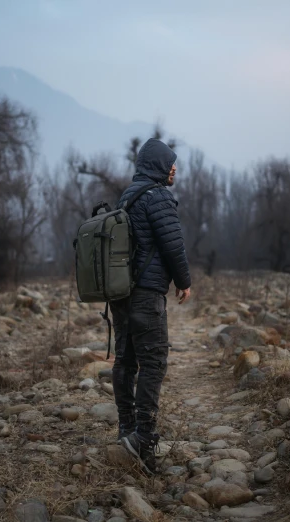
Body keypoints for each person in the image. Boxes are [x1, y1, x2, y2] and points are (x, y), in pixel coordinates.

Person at [111, 137, 192, 474]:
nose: (174, 167)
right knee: (154, 363)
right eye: (169, 162)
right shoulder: (158, 197)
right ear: (157, 165)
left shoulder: (129, 195)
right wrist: (184, 282)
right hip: (145, 294)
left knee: (126, 361)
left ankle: (126, 430)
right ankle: (143, 438)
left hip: (122, 294)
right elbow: (173, 245)